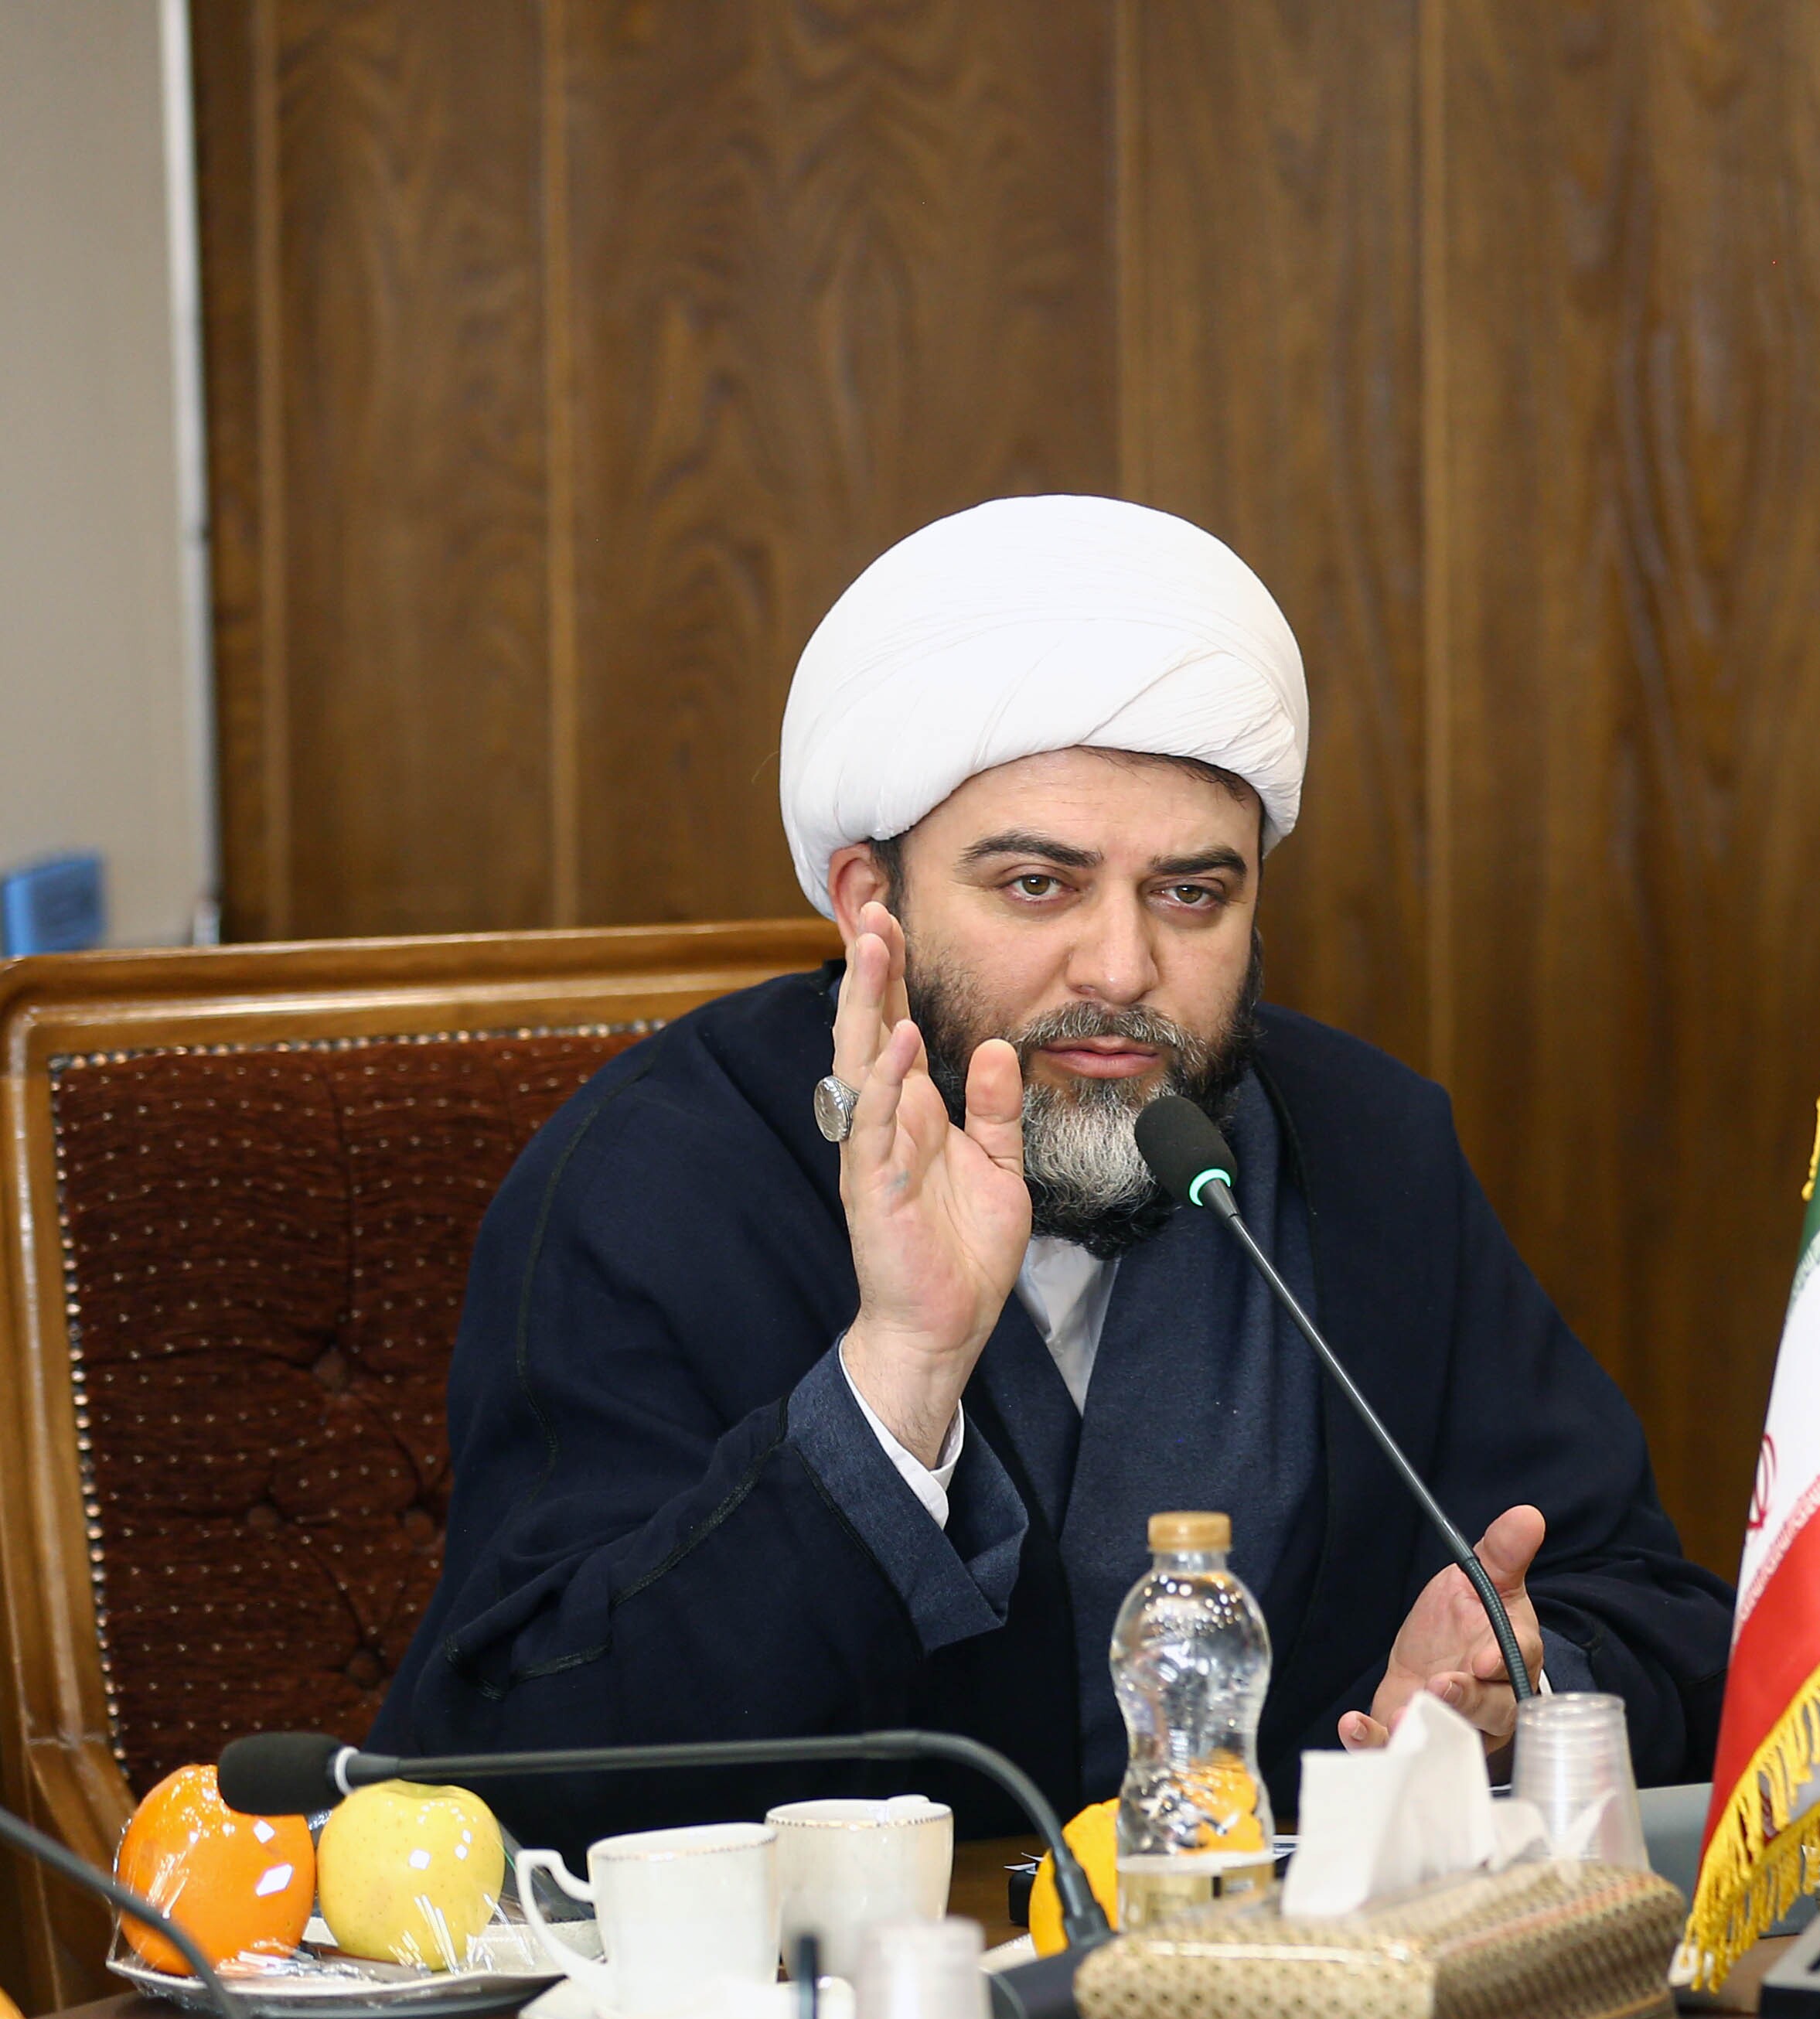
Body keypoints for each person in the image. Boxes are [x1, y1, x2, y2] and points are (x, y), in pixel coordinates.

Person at [377, 496, 1732, 1845]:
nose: (1124, 968)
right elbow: (519, 1765)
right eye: (1039, 884)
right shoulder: (653, 1182)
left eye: (1192, 893)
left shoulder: (1367, 1150)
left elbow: (1653, 1613)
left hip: (1294, 1977)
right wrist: (893, 1385)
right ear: (870, 901)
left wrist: (1513, 1692)